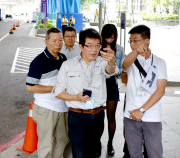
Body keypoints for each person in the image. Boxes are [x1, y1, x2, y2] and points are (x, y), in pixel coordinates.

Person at [55, 28, 116, 158]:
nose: (94, 50)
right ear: (81, 46)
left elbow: (110, 71)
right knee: (79, 153)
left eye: (97, 46)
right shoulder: (67, 65)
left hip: (97, 115)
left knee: (94, 153)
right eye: (89, 46)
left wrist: (112, 61)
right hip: (77, 116)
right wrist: (75, 97)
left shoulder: (102, 62)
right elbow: (59, 92)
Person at [122, 25, 167, 158]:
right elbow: (124, 66)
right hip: (130, 115)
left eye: (135, 40)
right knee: (134, 154)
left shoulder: (160, 62)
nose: (132, 44)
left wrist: (141, 111)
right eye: (130, 41)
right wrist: (135, 51)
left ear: (147, 40)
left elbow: (160, 91)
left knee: (155, 154)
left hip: (152, 116)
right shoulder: (131, 58)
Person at [26, 28, 69, 158]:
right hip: (45, 108)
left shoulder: (63, 58)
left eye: (60, 40)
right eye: (54, 40)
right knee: (45, 144)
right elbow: (30, 87)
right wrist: (53, 89)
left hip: (62, 107)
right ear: (46, 41)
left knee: (62, 139)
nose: (58, 43)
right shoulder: (38, 61)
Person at [101, 24, 124, 156]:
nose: (109, 40)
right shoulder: (97, 48)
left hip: (111, 85)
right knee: (97, 117)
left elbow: (120, 71)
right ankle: (97, 143)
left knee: (111, 117)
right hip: (98, 85)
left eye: (112, 38)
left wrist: (116, 71)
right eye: (107, 38)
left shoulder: (119, 49)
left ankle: (110, 143)